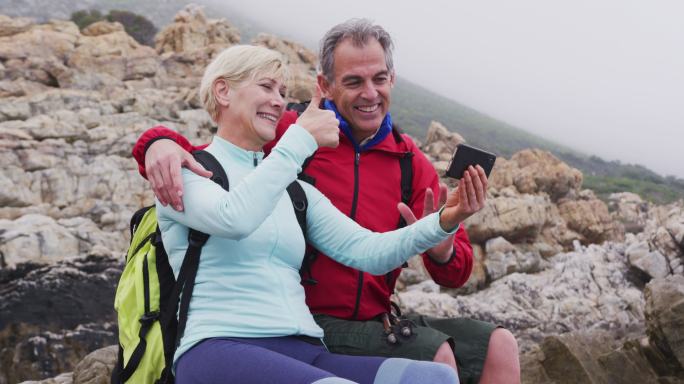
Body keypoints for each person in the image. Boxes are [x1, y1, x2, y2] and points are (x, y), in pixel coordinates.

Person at [134, 20, 519, 384]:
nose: (277, 102)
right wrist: (157, 142)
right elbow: (234, 216)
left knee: (430, 377)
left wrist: (445, 221)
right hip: (220, 345)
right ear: (223, 91)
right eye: (266, 87)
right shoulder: (192, 171)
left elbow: (368, 250)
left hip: (303, 344)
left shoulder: (299, 190)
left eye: (282, 93)